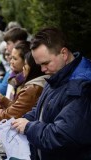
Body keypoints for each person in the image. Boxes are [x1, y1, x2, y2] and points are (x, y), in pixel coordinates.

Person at [12, 27, 91, 160]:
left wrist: (28, 127)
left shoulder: (81, 89)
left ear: (64, 54)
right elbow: (44, 109)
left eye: (46, 63)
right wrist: (24, 119)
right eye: (39, 65)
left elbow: (62, 136)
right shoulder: (59, 75)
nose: (43, 69)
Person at [0, 41, 48, 123]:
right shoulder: (21, 80)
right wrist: (3, 100)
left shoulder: (32, 88)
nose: (11, 61)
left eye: (15, 58)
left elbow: (8, 117)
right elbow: (18, 109)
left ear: (33, 67)